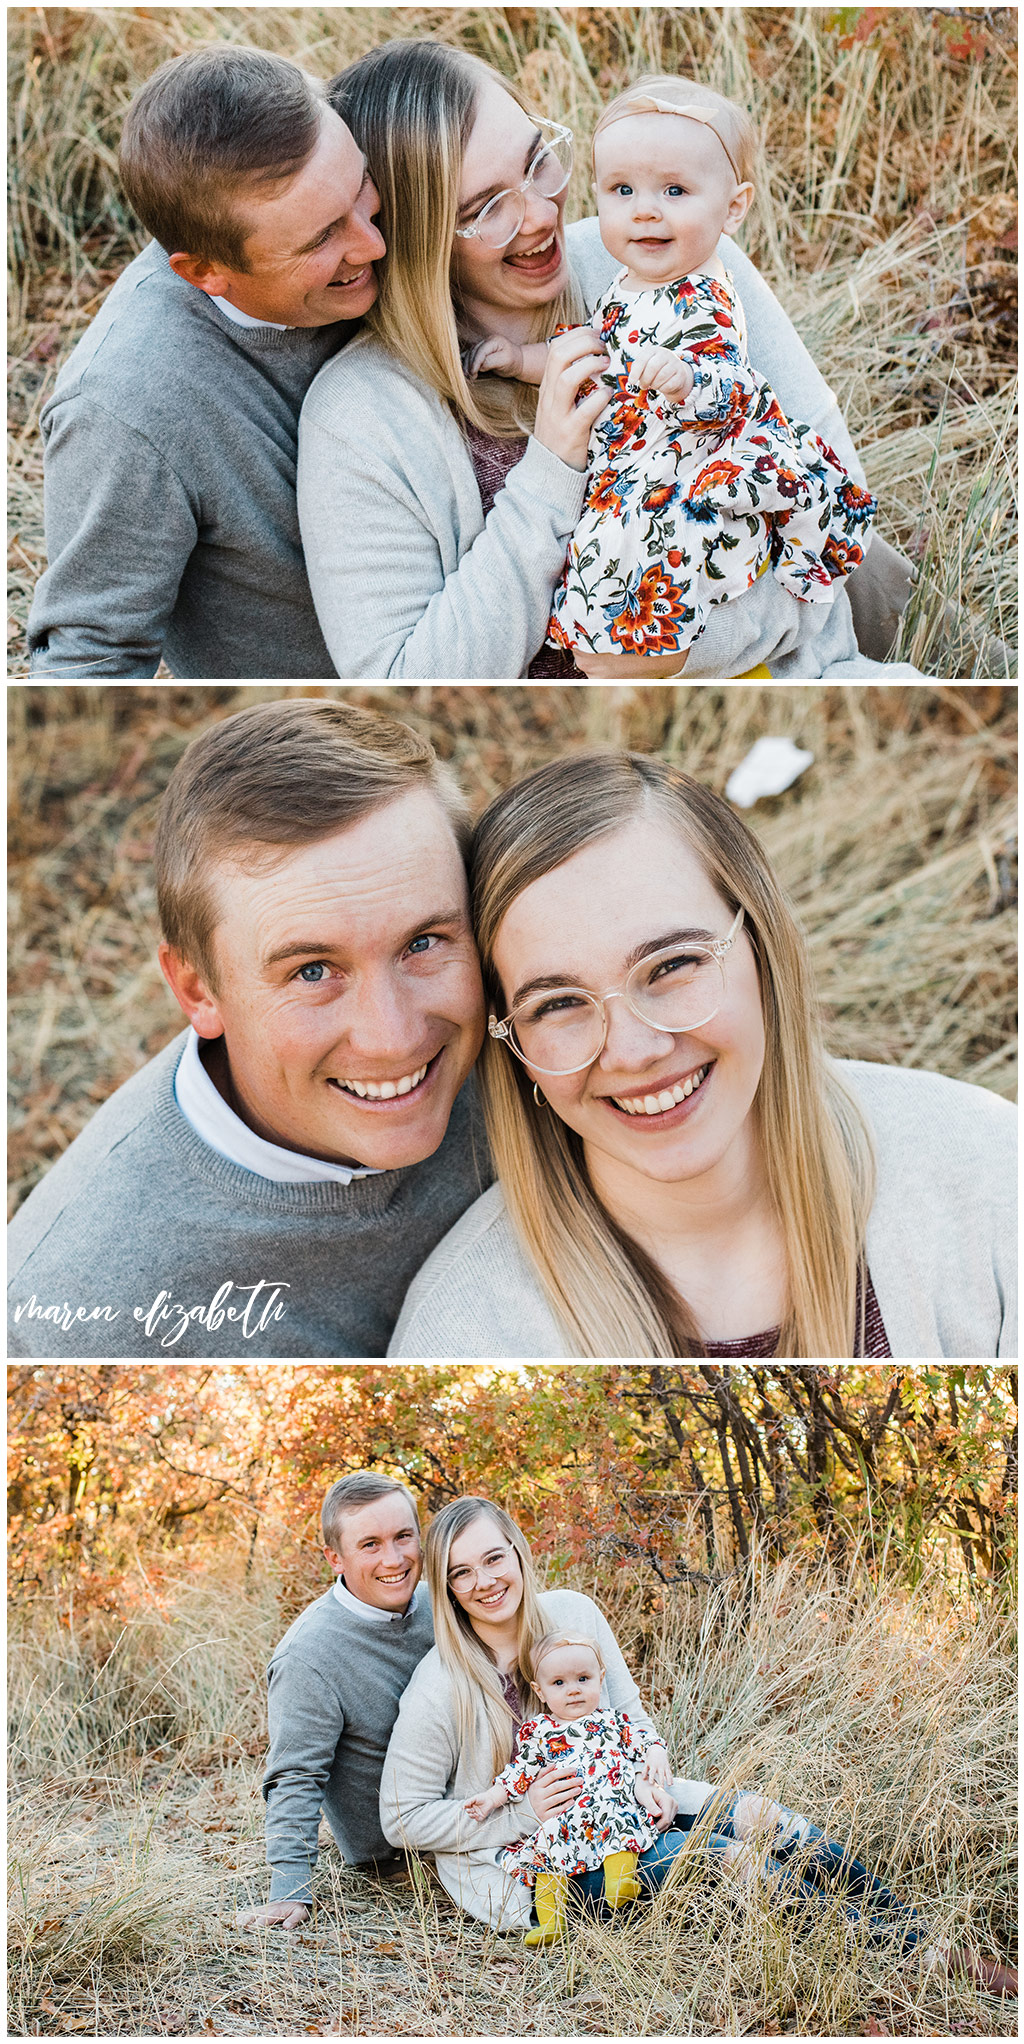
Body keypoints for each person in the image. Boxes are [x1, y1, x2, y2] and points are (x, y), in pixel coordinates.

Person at [297, 38, 918, 681]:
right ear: (414, 235)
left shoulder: (672, 259)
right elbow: (406, 680)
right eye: (484, 208)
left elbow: (825, 520)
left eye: (539, 162)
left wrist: (667, 647)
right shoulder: (359, 418)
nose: (541, 216)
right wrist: (551, 472)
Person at [390, 751, 1016, 1359]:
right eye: (557, 1004)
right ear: (515, 1041)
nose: (634, 1051)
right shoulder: (468, 1332)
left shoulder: (986, 1171)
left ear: (761, 945)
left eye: (673, 965)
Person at [7, 698, 489, 1358]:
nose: (394, 1037)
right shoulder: (80, 1319)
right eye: (314, 971)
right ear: (198, 991)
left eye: (424, 942)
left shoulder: (539, 1014)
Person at [477, 78, 877, 678]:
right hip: (625, 469)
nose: (645, 208)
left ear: (733, 207)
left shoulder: (703, 294)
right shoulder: (623, 284)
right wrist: (519, 359)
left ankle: (684, 654)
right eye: (623, 189)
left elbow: (730, 382)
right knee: (602, 599)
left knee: (642, 595)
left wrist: (686, 379)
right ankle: (635, 655)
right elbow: (595, 359)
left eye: (674, 190)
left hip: (680, 467)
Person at [26, 44, 384, 679]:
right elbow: (90, 660)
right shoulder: (126, 411)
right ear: (206, 272)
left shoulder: (368, 220)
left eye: (361, 185)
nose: (374, 243)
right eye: (322, 237)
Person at [378, 1496, 691, 1933]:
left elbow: (629, 1719)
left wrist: (647, 1781)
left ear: (517, 1550)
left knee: (760, 1818)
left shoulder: (573, 1614)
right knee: (715, 1856)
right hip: (539, 1864)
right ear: (447, 1588)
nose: (484, 1581)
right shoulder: (438, 1686)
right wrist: (522, 1813)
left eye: (493, 1558)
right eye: (461, 1573)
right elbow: (401, 1820)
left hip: (621, 1802)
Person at [240, 1470, 435, 1930]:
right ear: (335, 1557)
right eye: (370, 1544)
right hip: (405, 1858)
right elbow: (295, 1776)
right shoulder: (309, 1656)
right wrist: (289, 1887)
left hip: (480, 1803)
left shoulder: (438, 1604)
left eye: (404, 1537)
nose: (394, 1558)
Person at [465, 1630, 667, 1944]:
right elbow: (521, 1771)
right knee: (546, 1852)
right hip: (565, 1814)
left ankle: (621, 1883)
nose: (572, 1691)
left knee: (618, 1827)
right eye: (559, 1683)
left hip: (609, 1802)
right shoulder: (540, 1732)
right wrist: (492, 1798)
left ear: (600, 1679)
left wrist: (655, 1752)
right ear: (540, 1691)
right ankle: (550, 1921)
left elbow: (645, 1741)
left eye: (583, 1679)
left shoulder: (613, 1722)